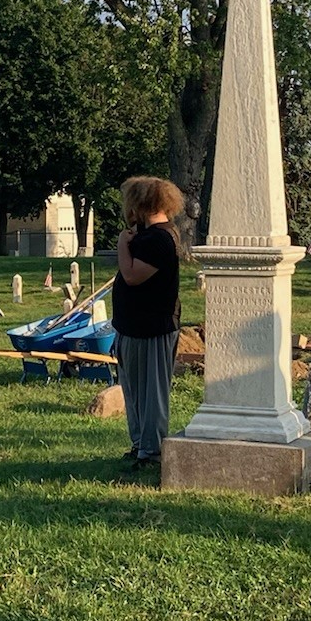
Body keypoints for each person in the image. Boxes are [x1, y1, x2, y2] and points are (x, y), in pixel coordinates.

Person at [113, 176, 184, 470]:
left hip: (153, 326)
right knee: (133, 390)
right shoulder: (147, 236)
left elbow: (132, 275)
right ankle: (140, 443)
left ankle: (152, 451)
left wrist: (121, 244)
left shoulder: (160, 239)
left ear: (140, 204)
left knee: (152, 391)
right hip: (131, 325)